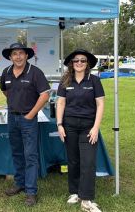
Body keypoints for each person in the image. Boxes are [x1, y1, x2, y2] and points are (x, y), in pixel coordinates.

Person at [0, 42, 50, 206]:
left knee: (30, 156)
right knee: (17, 152)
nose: (18, 56)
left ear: (27, 55)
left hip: (28, 120)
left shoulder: (35, 72)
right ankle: (20, 183)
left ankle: (31, 191)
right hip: (12, 118)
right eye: (14, 54)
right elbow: (5, 91)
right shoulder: (6, 72)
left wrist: (30, 114)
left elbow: (44, 94)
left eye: (21, 53)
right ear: (10, 57)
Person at [56, 49, 105, 212]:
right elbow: (61, 103)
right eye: (76, 60)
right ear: (71, 63)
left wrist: (96, 127)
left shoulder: (94, 81)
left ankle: (86, 199)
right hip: (69, 125)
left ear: (87, 64)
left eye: (82, 61)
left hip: (88, 127)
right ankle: (75, 192)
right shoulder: (65, 80)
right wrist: (59, 124)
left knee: (88, 162)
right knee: (73, 161)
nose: (79, 63)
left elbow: (100, 105)